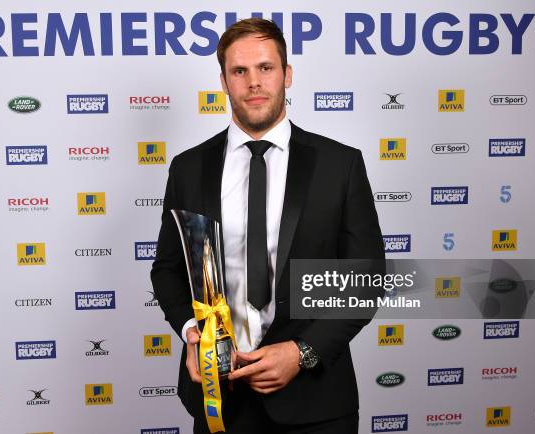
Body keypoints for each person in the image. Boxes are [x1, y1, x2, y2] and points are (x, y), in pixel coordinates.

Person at [151, 18, 384, 434]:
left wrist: (302, 352)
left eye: (265, 68)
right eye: (240, 71)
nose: (253, 82)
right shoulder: (188, 168)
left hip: (316, 400)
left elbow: (365, 278)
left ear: (287, 74)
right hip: (220, 393)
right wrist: (193, 334)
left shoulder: (340, 165)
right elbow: (168, 268)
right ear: (223, 81)